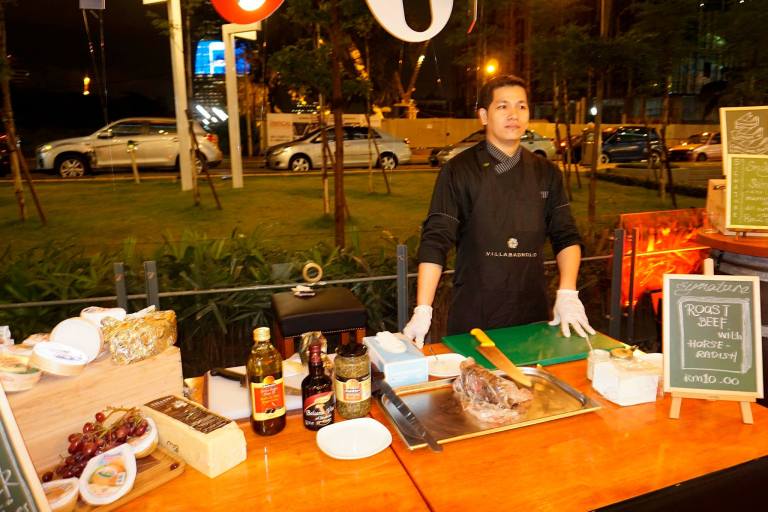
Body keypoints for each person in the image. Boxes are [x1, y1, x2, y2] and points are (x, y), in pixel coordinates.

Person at [403, 74, 595, 347]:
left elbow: (566, 236)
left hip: (532, 315)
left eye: (522, 106)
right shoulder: (459, 170)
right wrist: (423, 308)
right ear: (484, 115)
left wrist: (567, 292)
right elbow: (436, 239)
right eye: (502, 106)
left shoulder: (546, 173)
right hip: (475, 314)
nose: (513, 114)